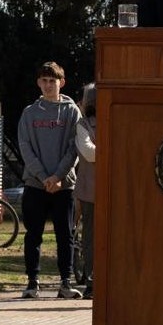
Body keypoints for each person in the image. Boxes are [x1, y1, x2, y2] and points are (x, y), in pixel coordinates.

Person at [18, 61, 83, 300]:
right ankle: (32, 282)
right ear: (38, 83)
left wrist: (58, 176)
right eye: (44, 80)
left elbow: (73, 148)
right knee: (33, 234)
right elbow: (25, 147)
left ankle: (65, 282)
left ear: (61, 83)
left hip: (63, 185)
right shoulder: (29, 113)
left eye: (52, 81)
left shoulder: (71, 112)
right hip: (36, 184)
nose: (48, 85)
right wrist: (44, 177)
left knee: (65, 234)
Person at [74, 82, 96, 300]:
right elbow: (89, 153)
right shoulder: (82, 125)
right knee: (90, 239)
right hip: (90, 192)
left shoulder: (115, 119)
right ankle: (91, 282)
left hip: (113, 191)